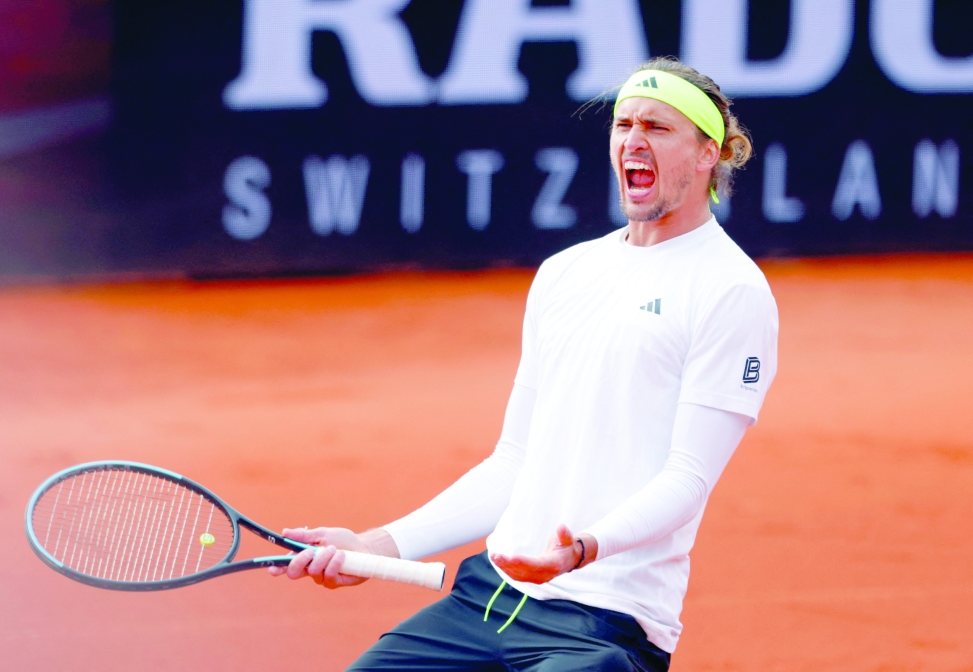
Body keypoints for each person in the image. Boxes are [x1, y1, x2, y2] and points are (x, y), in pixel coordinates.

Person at [271, 56, 778, 671]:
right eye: (623, 124)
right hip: (486, 601)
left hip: (604, 623)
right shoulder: (564, 274)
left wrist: (583, 550)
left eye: (658, 127)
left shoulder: (731, 291)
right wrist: (374, 545)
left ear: (709, 155)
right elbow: (515, 461)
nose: (633, 140)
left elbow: (687, 480)